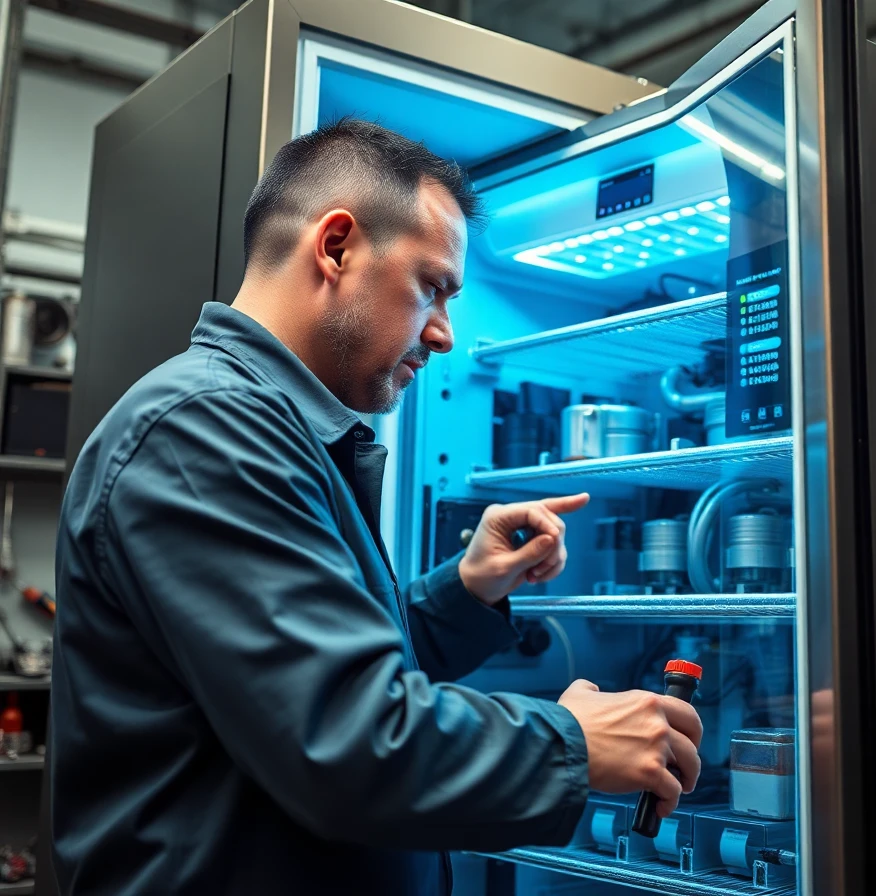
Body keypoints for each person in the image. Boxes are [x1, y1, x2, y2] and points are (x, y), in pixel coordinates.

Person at [50, 119, 703, 895]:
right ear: (335, 248)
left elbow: (307, 676)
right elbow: (345, 743)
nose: (445, 334)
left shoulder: (267, 427)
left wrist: (465, 590)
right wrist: (570, 742)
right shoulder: (205, 429)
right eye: (432, 286)